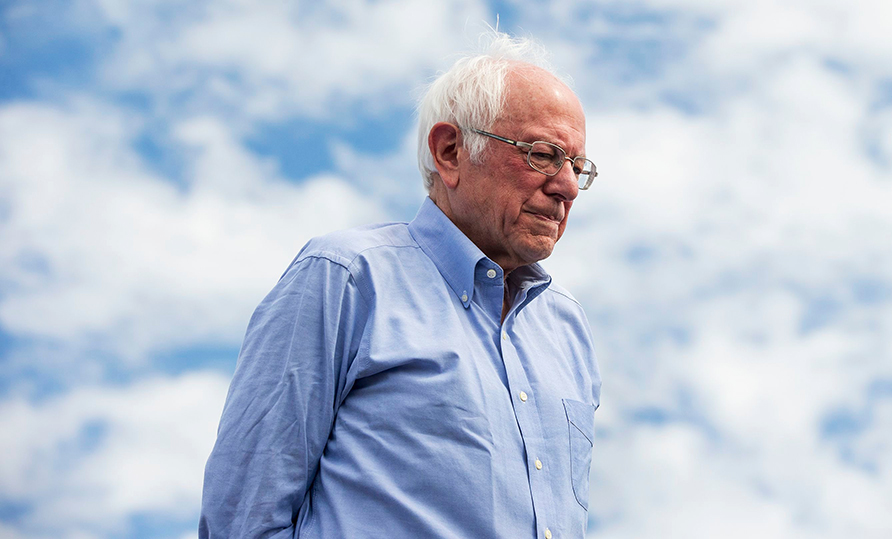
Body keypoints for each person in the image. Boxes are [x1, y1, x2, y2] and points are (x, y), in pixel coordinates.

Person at [199, 32, 601, 539]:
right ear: (450, 151)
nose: (566, 186)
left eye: (578, 166)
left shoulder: (567, 327)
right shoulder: (345, 277)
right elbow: (244, 520)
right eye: (542, 155)